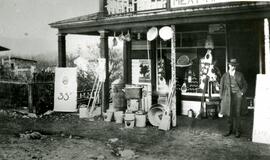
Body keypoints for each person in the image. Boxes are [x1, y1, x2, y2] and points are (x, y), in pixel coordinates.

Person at [219, 58, 248, 138]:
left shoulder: (240, 75)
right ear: (229, 65)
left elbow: (245, 85)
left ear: (236, 66)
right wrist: (221, 96)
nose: (233, 67)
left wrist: (242, 92)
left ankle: (237, 131)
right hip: (228, 97)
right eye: (231, 65)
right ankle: (229, 130)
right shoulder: (225, 75)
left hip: (237, 97)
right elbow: (221, 86)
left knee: (237, 113)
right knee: (229, 114)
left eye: (234, 65)